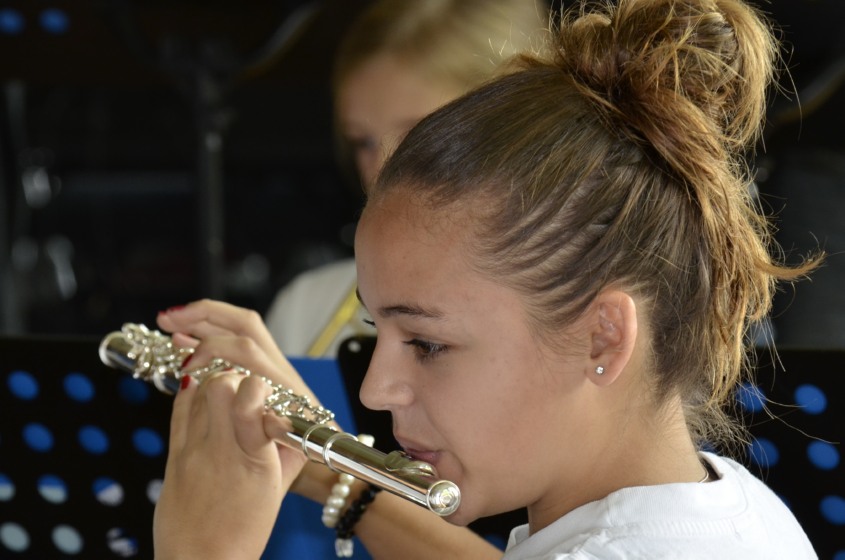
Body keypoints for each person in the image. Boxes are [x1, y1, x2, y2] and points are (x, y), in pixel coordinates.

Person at [154, 0, 820, 558]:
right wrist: (330, 468)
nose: (375, 390)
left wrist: (199, 550)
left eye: (426, 344)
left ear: (601, 338)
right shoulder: (734, 507)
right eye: (378, 330)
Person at [264, 0, 547, 357]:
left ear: (518, 126)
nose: (380, 173)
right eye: (362, 142)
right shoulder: (306, 314)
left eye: (416, 138)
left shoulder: (569, 316)